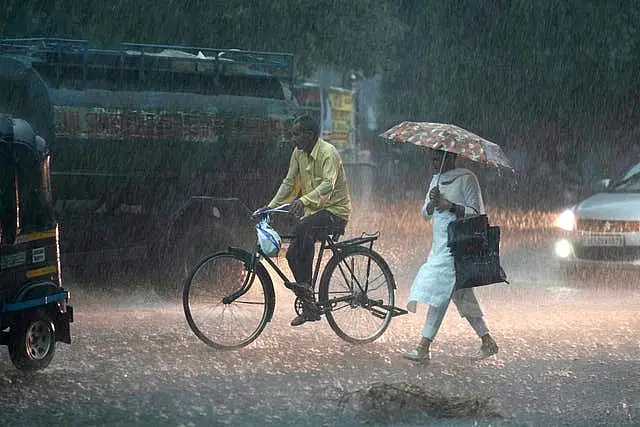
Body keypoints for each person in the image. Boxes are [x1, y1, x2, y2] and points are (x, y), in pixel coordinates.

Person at [403, 149, 499, 363]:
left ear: (452, 157)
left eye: (438, 159)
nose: (434, 164)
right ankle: (487, 341)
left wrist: (451, 206)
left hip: (457, 247)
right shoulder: (435, 180)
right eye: (432, 159)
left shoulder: (467, 179)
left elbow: (477, 214)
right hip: (438, 246)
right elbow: (425, 215)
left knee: (440, 292)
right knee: (461, 294)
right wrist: (430, 203)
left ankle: (423, 348)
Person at [266, 114, 351, 326]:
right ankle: (309, 303)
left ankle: (307, 289)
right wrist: (270, 207)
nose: (293, 139)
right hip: (314, 214)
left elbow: (327, 186)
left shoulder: (328, 153)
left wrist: (303, 200)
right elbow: (289, 182)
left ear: (310, 135)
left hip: (335, 212)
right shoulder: (298, 153)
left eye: (297, 134)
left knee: (304, 227)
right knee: (292, 254)